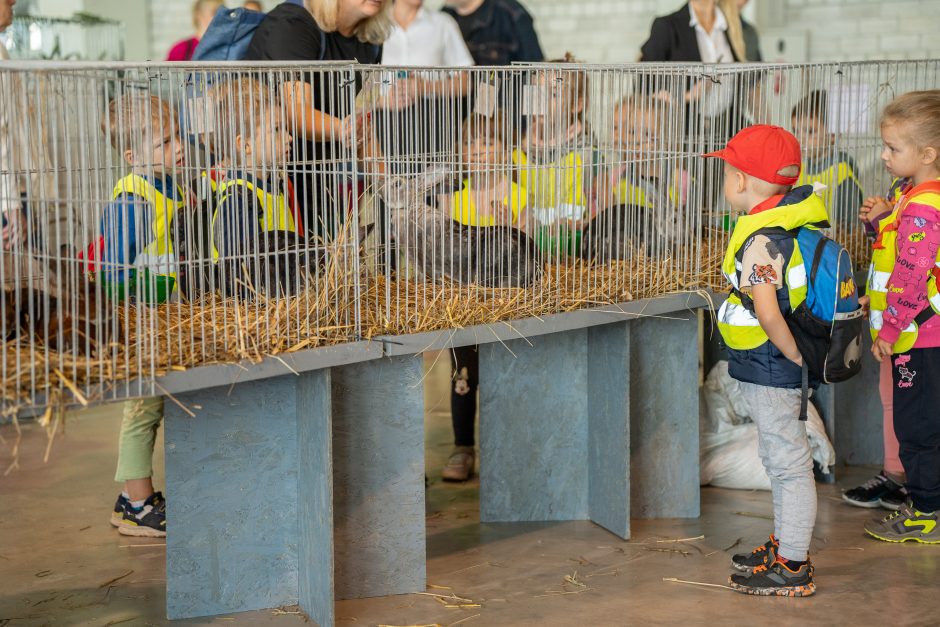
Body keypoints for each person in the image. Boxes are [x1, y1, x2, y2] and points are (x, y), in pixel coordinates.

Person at [707, 125, 824, 596]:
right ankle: (785, 546)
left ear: (741, 182)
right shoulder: (790, 221)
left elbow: (769, 311)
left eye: (727, 172)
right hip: (771, 364)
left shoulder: (761, 241)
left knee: (789, 462)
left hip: (774, 363)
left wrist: (793, 354)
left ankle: (793, 566)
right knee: (779, 457)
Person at [97, 94, 188, 537]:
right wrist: (140, 301)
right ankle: (137, 502)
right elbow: (112, 269)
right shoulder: (133, 199)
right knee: (143, 408)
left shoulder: (166, 184)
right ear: (132, 155)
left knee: (161, 399)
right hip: (142, 319)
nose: (179, 147)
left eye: (178, 137)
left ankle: (131, 497)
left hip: (167, 318)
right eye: (166, 142)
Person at [244, 0, 391, 240]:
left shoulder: (370, 39)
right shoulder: (295, 23)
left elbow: (363, 121)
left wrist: (391, 188)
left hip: (322, 173)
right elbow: (295, 113)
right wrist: (344, 129)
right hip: (270, 176)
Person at [862, 91, 940, 544]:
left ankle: (927, 511)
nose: (884, 156)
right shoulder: (915, 198)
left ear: (927, 154)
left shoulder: (922, 208)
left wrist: (890, 330)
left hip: (919, 337)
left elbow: (910, 274)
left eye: (893, 148)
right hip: (926, 333)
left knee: (917, 429)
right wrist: (882, 223)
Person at [436, 112, 527, 481]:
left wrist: (512, 225)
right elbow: (443, 252)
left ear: (505, 151)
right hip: (465, 306)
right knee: (463, 378)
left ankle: (506, 447)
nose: (481, 151)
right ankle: (462, 447)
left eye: (489, 143)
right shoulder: (451, 201)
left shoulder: (519, 196)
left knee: (504, 376)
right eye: (472, 144)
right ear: (462, 152)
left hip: (507, 305)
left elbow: (527, 250)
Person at [209, 77, 301, 298]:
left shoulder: (275, 185)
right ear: (246, 145)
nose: (289, 137)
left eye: (285, 128)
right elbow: (241, 270)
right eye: (277, 129)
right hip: (252, 312)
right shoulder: (238, 197)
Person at [512, 56, 598, 257]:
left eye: (553, 94)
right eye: (537, 94)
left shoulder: (586, 151)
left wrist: (587, 222)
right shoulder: (518, 150)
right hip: (528, 247)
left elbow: (601, 200)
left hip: (572, 246)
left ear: (577, 105)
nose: (541, 102)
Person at [380, 0, 474, 169]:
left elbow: (466, 84)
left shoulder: (443, 23)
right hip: (382, 125)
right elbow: (359, 81)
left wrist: (425, 87)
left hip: (432, 126)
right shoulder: (375, 23)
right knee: (386, 189)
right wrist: (383, 100)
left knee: (433, 190)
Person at [791, 90, 864, 230]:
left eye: (810, 131)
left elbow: (849, 228)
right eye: (796, 131)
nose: (800, 139)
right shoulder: (801, 168)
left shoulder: (842, 170)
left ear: (833, 134)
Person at [442, 0, 542, 66]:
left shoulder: (512, 14)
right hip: (455, 98)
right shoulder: (441, 18)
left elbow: (535, 70)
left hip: (503, 98)